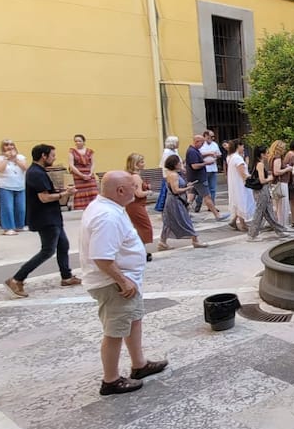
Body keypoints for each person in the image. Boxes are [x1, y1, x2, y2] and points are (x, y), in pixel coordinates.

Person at [78, 170, 168, 396]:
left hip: (126, 280)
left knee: (133, 319)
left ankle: (139, 364)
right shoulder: (107, 216)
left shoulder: (109, 207)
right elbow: (102, 257)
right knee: (115, 330)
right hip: (114, 284)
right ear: (120, 191)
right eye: (133, 187)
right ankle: (110, 380)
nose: (137, 191)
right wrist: (122, 281)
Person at [3, 144, 82, 297]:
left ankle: (66, 276)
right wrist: (65, 194)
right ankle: (16, 279)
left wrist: (62, 192)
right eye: (52, 155)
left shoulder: (38, 171)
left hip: (52, 216)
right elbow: (44, 198)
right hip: (46, 218)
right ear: (43, 156)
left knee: (63, 245)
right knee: (48, 250)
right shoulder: (36, 173)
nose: (54, 158)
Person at [157, 154, 208, 250]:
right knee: (185, 220)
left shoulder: (172, 174)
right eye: (179, 163)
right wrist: (187, 188)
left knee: (169, 222)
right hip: (175, 201)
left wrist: (186, 185)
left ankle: (162, 242)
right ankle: (195, 240)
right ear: (175, 164)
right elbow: (176, 190)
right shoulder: (174, 175)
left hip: (174, 200)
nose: (181, 164)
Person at [247, 144, 293, 241]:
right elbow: (262, 180)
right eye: (266, 153)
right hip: (261, 191)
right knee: (259, 212)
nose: (268, 154)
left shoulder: (256, 163)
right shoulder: (260, 164)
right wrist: (270, 178)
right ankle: (252, 234)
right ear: (261, 154)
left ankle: (280, 231)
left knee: (269, 213)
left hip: (262, 190)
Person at [0, 138, 28, 235]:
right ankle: (8, 228)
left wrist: (15, 159)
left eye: (11, 144)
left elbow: (25, 168)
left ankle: (19, 225)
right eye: (6, 145)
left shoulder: (20, 157)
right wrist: (6, 158)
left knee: (21, 208)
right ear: (2, 147)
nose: (9, 147)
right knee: (7, 208)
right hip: (5, 186)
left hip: (19, 185)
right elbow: (1, 169)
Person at [124, 153, 154, 261]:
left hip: (134, 205)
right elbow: (139, 193)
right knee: (144, 227)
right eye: (141, 162)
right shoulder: (135, 177)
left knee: (139, 228)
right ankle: (140, 252)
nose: (143, 163)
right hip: (137, 205)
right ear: (135, 164)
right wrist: (149, 192)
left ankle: (141, 251)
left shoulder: (130, 175)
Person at [225, 140, 253, 232]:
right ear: (238, 146)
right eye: (242, 146)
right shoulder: (237, 158)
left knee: (238, 202)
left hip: (234, 183)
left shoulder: (230, 157)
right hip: (240, 184)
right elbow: (242, 173)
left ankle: (234, 220)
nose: (243, 148)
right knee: (242, 201)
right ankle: (243, 224)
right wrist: (249, 178)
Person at [199, 130, 225, 220]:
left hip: (213, 168)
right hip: (204, 169)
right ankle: (198, 204)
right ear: (205, 136)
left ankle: (212, 206)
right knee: (203, 189)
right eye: (210, 136)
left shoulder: (214, 144)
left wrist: (217, 155)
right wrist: (209, 153)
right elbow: (199, 155)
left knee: (213, 189)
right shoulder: (201, 144)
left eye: (213, 137)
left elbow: (219, 154)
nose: (212, 138)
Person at [68, 134, 97, 210]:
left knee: (93, 192)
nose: (77, 142)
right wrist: (81, 175)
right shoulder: (72, 151)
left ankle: (94, 209)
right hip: (78, 177)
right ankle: (81, 209)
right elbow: (71, 165)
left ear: (84, 142)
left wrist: (90, 174)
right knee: (79, 192)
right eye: (76, 141)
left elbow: (93, 163)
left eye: (79, 141)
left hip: (89, 176)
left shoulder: (90, 151)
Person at [155, 136, 180, 212]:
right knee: (165, 192)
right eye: (177, 142)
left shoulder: (174, 151)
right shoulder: (167, 152)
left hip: (174, 173)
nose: (178, 143)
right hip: (168, 175)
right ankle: (161, 207)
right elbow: (166, 165)